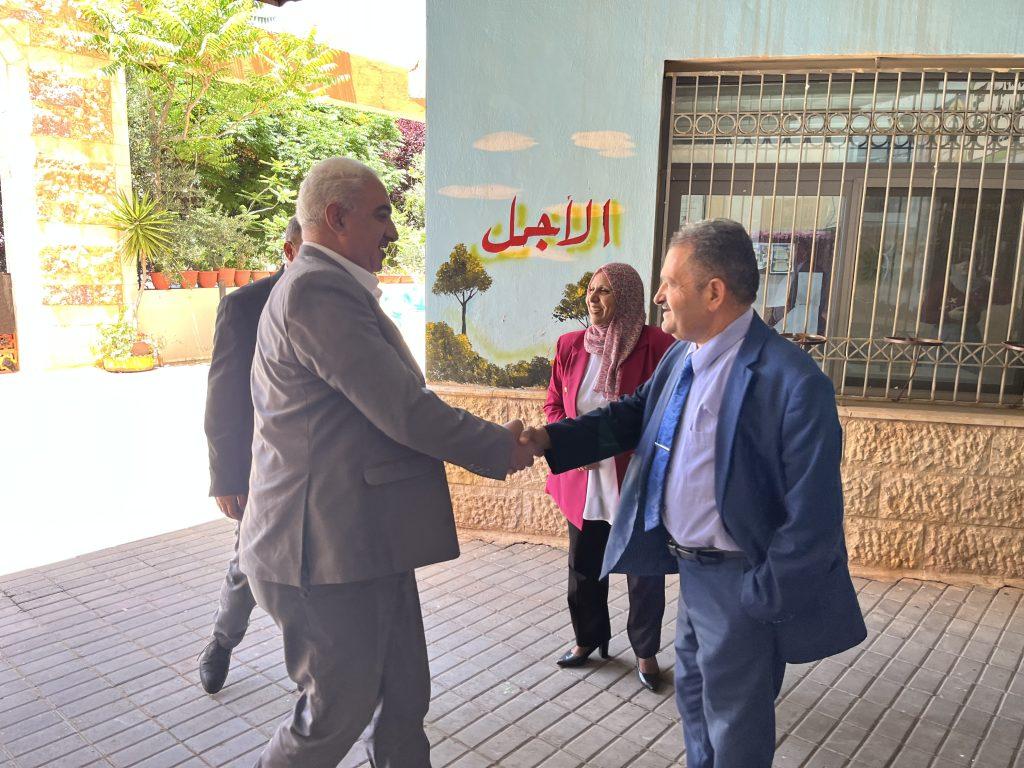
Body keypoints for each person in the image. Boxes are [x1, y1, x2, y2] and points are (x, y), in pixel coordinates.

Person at [521, 218, 866, 768]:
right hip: (693, 573)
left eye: (669, 283)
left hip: (741, 582)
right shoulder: (682, 356)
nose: (659, 296)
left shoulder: (792, 382)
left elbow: (813, 516)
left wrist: (760, 597)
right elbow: (632, 415)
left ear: (714, 292)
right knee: (696, 702)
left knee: (735, 723)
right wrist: (550, 439)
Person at [239, 156, 536, 768]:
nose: (393, 231)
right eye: (381, 215)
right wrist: (497, 446)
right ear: (336, 217)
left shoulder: (332, 288)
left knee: (403, 700)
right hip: (321, 552)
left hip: (365, 544)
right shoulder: (316, 289)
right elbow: (402, 409)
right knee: (334, 713)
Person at [544, 263, 674, 691]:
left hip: (635, 481)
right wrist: (572, 442)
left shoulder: (657, 345)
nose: (593, 299)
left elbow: (663, 412)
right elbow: (554, 405)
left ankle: (645, 652)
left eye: (604, 291)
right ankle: (588, 639)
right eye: (590, 290)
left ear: (628, 297)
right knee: (583, 566)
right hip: (584, 482)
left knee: (644, 572)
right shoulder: (570, 345)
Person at [198, 217, 302, 695]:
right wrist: (227, 476)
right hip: (267, 466)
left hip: (326, 468)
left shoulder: (344, 302)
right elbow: (224, 397)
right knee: (248, 559)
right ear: (289, 249)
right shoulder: (244, 306)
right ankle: (222, 640)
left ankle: (319, 672)